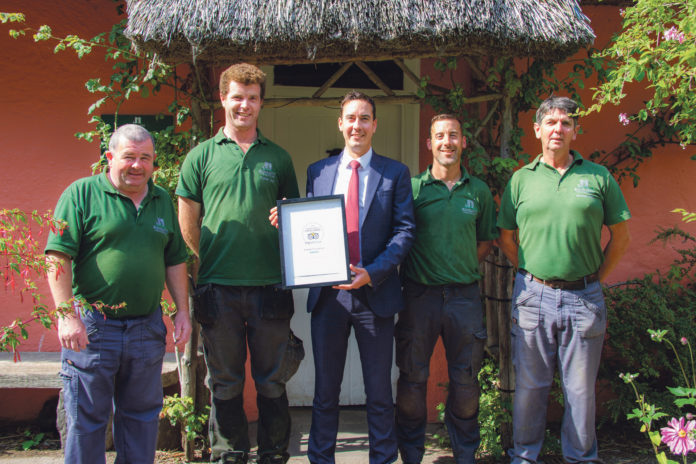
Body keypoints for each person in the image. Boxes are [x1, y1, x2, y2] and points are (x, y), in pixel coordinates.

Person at [45, 124, 192, 464]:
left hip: (146, 328)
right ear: (109, 157)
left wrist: (182, 311)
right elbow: (57, 257)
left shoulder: (161, 201)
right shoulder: (81, 194)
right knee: (86, 421)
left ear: (155, 162)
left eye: (145, 158)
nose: (137, 166)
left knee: (141, 420)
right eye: (129, 157)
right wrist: (66, 316)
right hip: (94, 329)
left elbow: (174, 261)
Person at [176, 63, 300, 464]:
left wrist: (286, 223)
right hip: (218, 288)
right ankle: (228, 454)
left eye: (252, 97)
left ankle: (274, 453)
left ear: (261, 102)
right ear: (223, 98)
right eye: (237, 96)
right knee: (225, 381)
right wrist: (211, 258)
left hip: (270, 287)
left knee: (272, 380)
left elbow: (294, 220)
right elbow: (187, 221)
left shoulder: (278, 158)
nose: (244, 105)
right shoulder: (200, 157)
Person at [497, 96, 631, 464]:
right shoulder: (520, 180)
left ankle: (581, 459)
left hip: (584, 298)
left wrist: (593, 280)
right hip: (532, 296)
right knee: (528, 388)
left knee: (580, 390)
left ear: (575, 131)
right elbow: (506, 237)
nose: (558, 129)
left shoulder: (598, 177)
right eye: (551, 122)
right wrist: (530, 273)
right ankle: (524, 457)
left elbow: (620, 239)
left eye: (566, 123)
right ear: (537, 129)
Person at [305, 90, 416, 464]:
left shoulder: (395, 173)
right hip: (328, 297)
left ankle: (382, 459)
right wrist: (288, 228)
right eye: (350, 118)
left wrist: (374, 273)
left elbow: (404, 233)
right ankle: (321, 459)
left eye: (364, 118)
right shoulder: (317, 173)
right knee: (325, 394)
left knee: (379, 393)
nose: (357, 125)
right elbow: (310, 230)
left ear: (375, 125)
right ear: (340, 124)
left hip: (376, 296)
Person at [395, 114, 498, 464]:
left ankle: (465, 454)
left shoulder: (479, 191)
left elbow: (484, 242)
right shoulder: (412, 189)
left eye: (453, 135)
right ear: (429, 144)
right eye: (439, 136)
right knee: (412, 379)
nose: (447, 142)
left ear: (463, 142)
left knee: (467, 383)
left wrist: (458, 267)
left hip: (464, 299)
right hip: (418, 297)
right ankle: (411, 453)